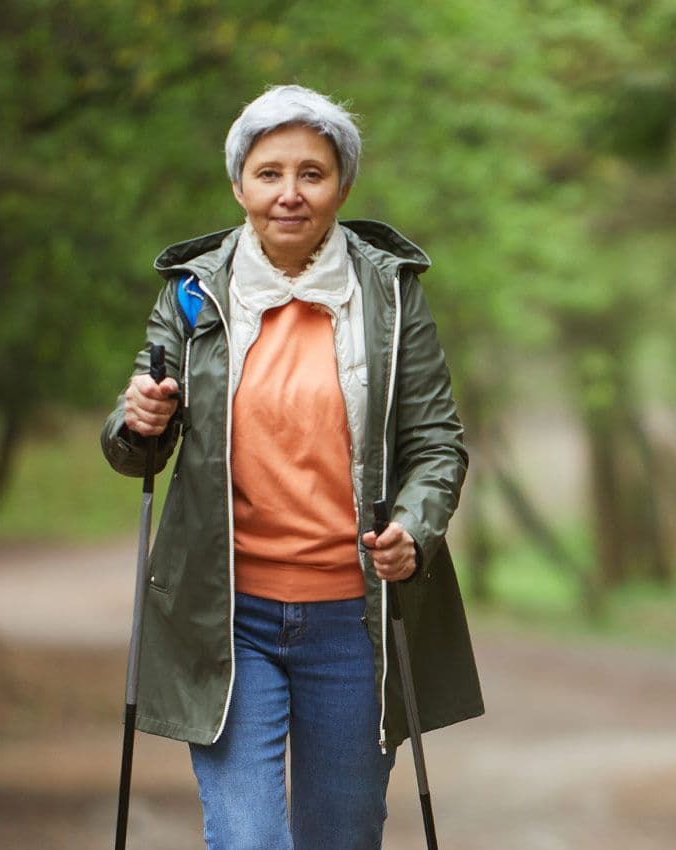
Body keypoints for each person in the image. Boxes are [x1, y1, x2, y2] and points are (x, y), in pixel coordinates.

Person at [100, 84, 481, 849]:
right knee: (248, 840)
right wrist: (137, 420)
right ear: (239, 183)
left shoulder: (391, 295)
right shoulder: (193, 296)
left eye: (313, 173)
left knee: (339, 838)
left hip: (354, 619)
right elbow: (136, 440)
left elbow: (437, 443)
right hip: (227, 620)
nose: (290, 193)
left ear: (343, 185)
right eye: (269, 172)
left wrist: (414, 526)